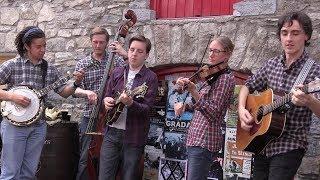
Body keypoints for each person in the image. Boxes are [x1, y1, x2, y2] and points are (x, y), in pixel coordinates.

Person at [238, 11, 320, 179]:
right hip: (261, 142)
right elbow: (247, 86)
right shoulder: (271, 64)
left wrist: (309, 101)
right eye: (284, 33)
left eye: (295, 33)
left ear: (306, 36)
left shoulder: (314, 70)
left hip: (290, 144)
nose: (289, 38)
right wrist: (241, 110)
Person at [0, 26, 84, 179]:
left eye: (44, 45)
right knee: (10, 173)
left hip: (38, 127)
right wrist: (12, 97)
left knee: (29, 173)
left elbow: (64, 92)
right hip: (13, 127)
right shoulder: (11, 65)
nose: (43, 50)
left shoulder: (49, 69)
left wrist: (76, 83)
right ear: (27, 46)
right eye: (38, 46)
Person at [174, 36, 236, 180]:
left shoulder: (225, 78)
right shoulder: (213, 75)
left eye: (216, 51)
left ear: (227, 54)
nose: (211, 54)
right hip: (196, 139)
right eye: (210, 50)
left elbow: (213, 112)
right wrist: (185, 106)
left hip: (205, 140)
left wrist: (194, 91)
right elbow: (201, 106)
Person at [100, 35, 158, 180]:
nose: (134, 54)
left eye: (139, 51)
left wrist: (131, 103)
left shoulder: (150, 78)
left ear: (146, 55)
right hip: (111, 133)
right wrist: (106, 101)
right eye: (132, 49)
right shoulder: (117, 72)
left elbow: (147, 109)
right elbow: (106, 96)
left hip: (134, 136)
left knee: (129, 177)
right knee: (104, 177)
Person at [74, 26, 128, 180]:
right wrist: (86, 92)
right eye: (95, 42)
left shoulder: (116, 60)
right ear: (91, 41)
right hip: (89, 116)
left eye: (101, 42)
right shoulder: (82, 63)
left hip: (111, 117)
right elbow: (74, 90)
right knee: (85, 156)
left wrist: (124, 53)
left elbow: (134, 71)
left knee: (112, 157)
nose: (98, 45)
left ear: (107, 43)